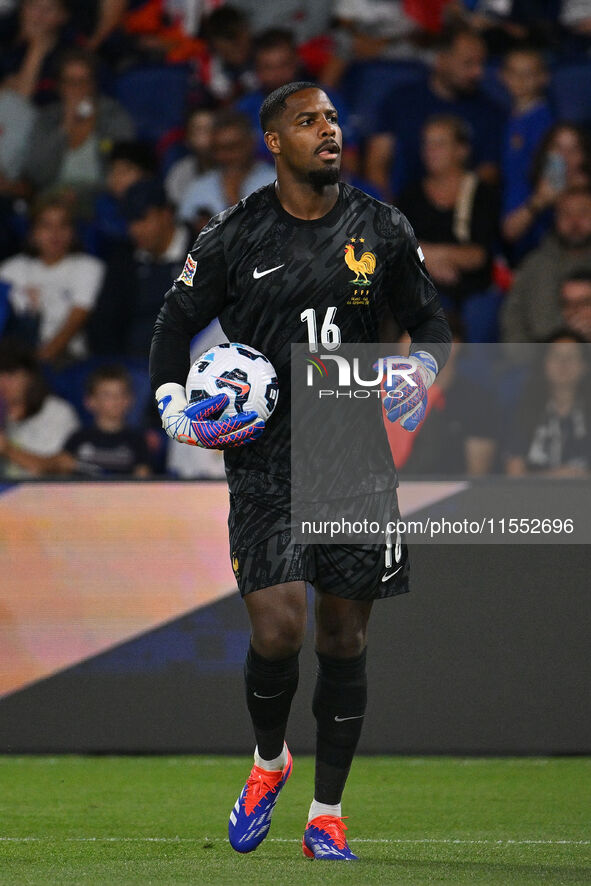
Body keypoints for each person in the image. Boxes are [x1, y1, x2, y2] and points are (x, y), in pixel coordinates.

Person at [150, 81, 451, 859]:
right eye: (308, 120)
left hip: (354, 462)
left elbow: (432, 324)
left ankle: (326, 815)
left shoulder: (380, 228)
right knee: (279, 630)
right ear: (275, 142)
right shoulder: (235, 236)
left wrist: (419, 369)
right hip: (264, 462)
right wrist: (170, 403)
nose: (329, 130)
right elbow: (172, 323)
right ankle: (267, 762)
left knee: (343, 640)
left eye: (333, 118)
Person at [364, 24, 505, 200]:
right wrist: (389, 216)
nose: (478, 72)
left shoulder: (490, 112)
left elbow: (488, 172)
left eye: (481, 63)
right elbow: (377, 163)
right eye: (468, 63)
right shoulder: (401, 100)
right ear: (441, 59)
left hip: (462, 212)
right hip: (402, 208)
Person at [397, 114, 500, 340]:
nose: (430, 150)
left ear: (461, 150)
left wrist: (427, 255)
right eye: (427, 143)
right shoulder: (410, 196)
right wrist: (429, 263)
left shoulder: (481, 194)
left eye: (440, 143)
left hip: (475, 291)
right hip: (425, 290)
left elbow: (478, 255)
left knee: (480, 318)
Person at [90, 178, 193, 358]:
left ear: (166, 214)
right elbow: (104, 323)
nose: (135, 229)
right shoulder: (123, 259)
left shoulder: (202, 250)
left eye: (142, 219)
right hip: (132, 367)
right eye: (130, 221)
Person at [0, 197, 105, 364]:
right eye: (46, 226)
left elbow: (75, 321)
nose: (55, 233)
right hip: (14, 357)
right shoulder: (10, 269)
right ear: (32, 232)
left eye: (63, 225)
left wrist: (37, 363)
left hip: (65, 357)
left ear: (73, 231)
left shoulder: (88, 267)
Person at [23, 48, 134, 204]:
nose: (77, 89)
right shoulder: (47, 119)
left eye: (83, 81)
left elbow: (124, 168)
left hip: (100, 197)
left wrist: (84, 194)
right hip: (52, 199)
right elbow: (36, 174)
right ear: (59, 86)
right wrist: (65, 127)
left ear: (93, 84)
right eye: (70, 82)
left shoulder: (113, 116)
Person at [501, 186, 591, 343]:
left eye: (583, 213)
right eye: (566, 214)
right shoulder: (535, 264)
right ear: (555, 218)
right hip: (540, 361)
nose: (575, 221)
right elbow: (513, 321)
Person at [502, 122, 591, 263]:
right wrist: (539, 201)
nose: (565, 157)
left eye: (573, 150)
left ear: (583, 156)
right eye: (558, 148)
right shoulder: (527, 185)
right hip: (533, 264)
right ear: (546, 152)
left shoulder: (586, 188)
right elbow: (509, 233)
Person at [505, 332, 591, 477]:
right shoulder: (522, 413)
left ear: (585, 366)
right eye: (556, 356)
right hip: (533, 498)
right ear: (544, 364)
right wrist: (556, 477)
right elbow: (513, 475)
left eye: (572, 357)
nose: (564, 363)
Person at [498, 46, 554, 263]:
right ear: (503, 76)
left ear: (543, 78)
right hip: (505, 214)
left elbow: (555, 177)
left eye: (528, 74)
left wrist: (535, 207)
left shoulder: (547, 123)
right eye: (514, 73)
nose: (520, 80)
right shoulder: (503, 119)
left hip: (533, 223)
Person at [178, 110, 275, 226]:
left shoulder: (277, 182)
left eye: (233, 147)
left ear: (251, 143)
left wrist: (234, 196)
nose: (227, 156)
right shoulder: (198, 189)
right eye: (219, 149)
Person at [0, 340, 79, 478]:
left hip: (45, 495)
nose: (3, 383)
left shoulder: (57, 413)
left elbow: (59, 468)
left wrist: (7, 449)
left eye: (11, 375)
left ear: (30, 377)